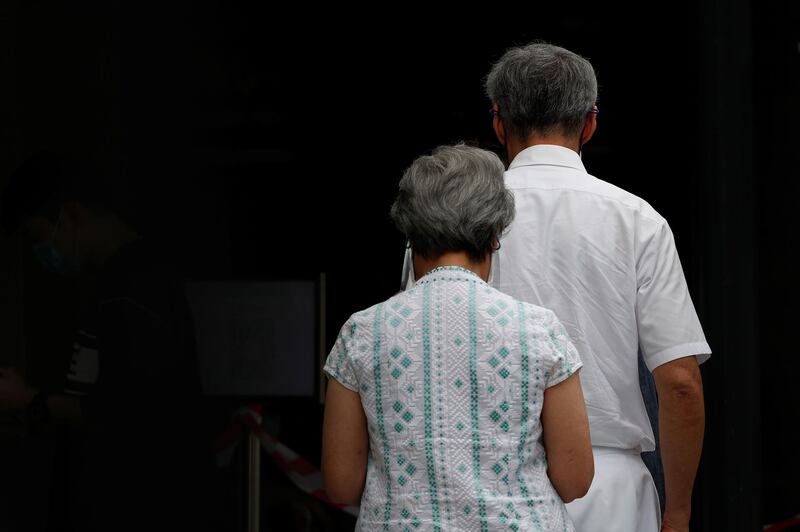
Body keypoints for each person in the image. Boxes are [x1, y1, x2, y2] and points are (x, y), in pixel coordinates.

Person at [477, 42, 709, 532]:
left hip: (483, 486)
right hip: (612, 493)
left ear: (499, 123)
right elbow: (681, 383)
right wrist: (680, 514)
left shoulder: (452, 228)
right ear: (590, 123)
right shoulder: (638, 221)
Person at [322, 144, 593, 531]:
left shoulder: (362, 333)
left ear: (410, 233)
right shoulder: (539, 330)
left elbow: (341, 484)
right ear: (495, 234)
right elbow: (575, 479)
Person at [0, 152, 216, 532]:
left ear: (71, 215)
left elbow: (127, 412)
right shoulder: (117, 282)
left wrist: (30, 399)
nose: (40, 253)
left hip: (134, 508)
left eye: (38, 236)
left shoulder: (135, 289)